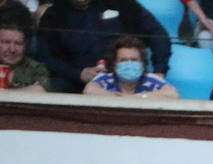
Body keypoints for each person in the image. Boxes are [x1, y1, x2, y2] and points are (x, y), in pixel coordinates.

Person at [34, 0, 170, 93]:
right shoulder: (54, 15)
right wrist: (79, 74)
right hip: (77, 86)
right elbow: (45, 56)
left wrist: (159, 71)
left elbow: (158, 35)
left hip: (126, 82)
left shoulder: (120, 3)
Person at [83, 34, 180, 98]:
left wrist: (139, 97)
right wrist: (115, 97)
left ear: (142, 64)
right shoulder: (105, 80)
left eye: (134, 60)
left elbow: (173, 94)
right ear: (115, 65)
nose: (129, 64)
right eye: (123, 60)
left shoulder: (151, 80)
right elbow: (89, 90)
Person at [0, 15, 49, 91]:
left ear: (26, 45)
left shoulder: (36, 69)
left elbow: (40, 91)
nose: (12, 49)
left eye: (18, 43)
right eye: (6, 42)